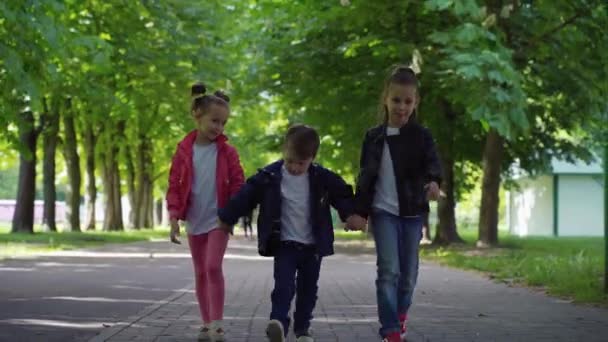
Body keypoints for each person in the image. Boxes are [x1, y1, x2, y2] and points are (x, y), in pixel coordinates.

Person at [218, 124, 366, 342]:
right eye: (290, 161)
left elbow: (342, 194)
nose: (295, 167)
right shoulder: (269, 176)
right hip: (284, 244)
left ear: (312, 158)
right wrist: (227, 217)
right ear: (283, 152)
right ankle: (278, 322)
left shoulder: (322, 177)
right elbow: (246, 195)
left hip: (312, 247)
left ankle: (302, 330)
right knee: (283, 286)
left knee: (308, 291)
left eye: (301, 163)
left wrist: (351, 214)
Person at [354, 66, 442, 342]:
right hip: (383, 213)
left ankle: (400, 314)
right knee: (388, 270)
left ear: (415, 102)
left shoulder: (422, 136)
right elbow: (365, 176)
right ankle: (390, 330)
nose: (401, 107)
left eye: (407, 101)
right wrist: (358, 211)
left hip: (413, 212)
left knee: (408, 276)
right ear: (386, 99)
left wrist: (434, 183)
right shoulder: (373, 137)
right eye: (396, 100)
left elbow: (433, 165)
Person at [166, 82, 244, 341]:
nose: (219, 128)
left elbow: (238, 183)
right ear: (197, 116)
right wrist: (174, 215)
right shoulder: (183, 151)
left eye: (223, 123)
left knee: (212, 267)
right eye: (214, 121)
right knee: (200, 271)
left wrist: (231, 214)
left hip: (219, 220)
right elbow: (174, 184)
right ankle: (206, 322)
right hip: (195, 220)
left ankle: (218, 325)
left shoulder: (227, 152)